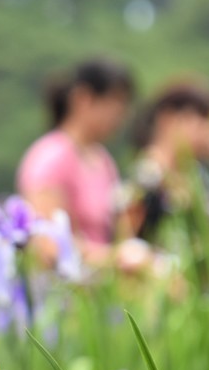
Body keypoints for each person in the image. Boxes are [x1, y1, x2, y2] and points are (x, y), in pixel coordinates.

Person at [16, 58, 135, 266]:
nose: (121, 114)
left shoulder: (103, 159)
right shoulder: (50, 157)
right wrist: (118, 259)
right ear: (83, 99)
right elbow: (48, 246)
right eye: (115, 101)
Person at [120, 79, 209, 262]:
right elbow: (125, 245)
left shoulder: (198, 178)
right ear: (168, 118)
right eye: (202, 122)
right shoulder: (145, 176)